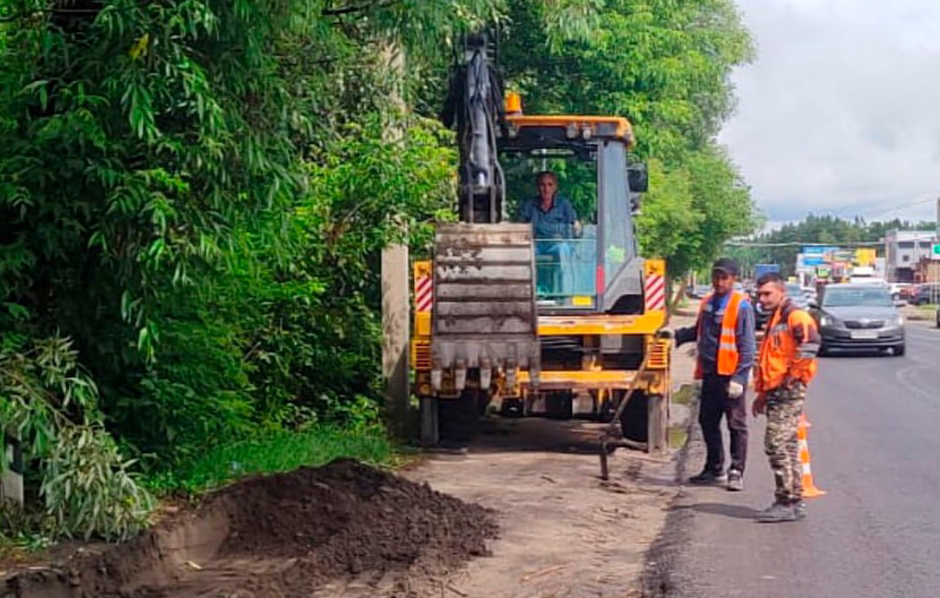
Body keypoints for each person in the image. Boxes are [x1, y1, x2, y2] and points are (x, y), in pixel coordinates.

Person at [672, 258, 756, 491]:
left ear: (734, 279)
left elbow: (748, 347)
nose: (718, 282)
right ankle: (714, 468)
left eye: (724, 277)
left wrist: (740, 378)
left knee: (736, 424)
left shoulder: (742, 306)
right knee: (707, 421)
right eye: (716, 277)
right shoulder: (708, 302)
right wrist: (675, 336)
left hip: (730, 377)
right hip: (710, 373)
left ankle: (736, 471)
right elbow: (698, 331)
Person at [751, 272, 821, 523]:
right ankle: (794, 500)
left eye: (767, 293)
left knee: (775, 444)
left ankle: (786, 500)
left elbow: (812, 344)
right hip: (776, 390)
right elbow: (770, 359)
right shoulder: (775, 319)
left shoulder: (795, 316)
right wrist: (761, 394)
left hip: (789, 390)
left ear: (782, 292)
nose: (762, 299)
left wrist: (794, 375)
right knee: (788, 445)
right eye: (759, 294)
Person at [517, 171, 581, 297]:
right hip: (536, 245)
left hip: (556, 244)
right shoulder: (529, 205)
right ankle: (528, 294)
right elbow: (520, 226)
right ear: (538, 187)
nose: (546, 189)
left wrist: (575, 230)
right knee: (525, 253)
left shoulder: (564, 205)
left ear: (555, 187)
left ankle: (562, 293)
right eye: (542, 185)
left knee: (562, 250)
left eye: (549, 185)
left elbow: (576, 225)